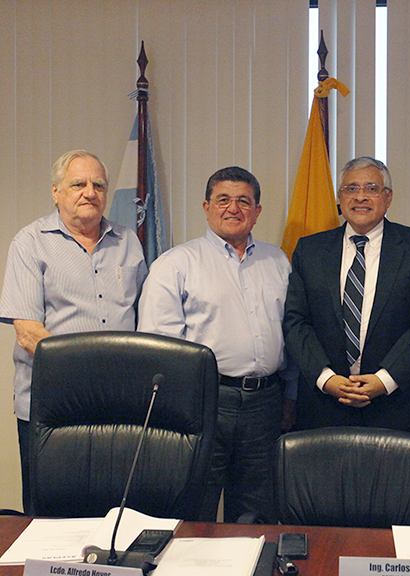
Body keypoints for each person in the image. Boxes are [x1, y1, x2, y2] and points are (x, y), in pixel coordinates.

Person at [138, 166, 297, 523]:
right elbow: (159, 349)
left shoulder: (278, 262)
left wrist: (291, 396)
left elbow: (292, 334)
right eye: (223, 199)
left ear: (257, 210)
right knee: (195, 506)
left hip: (265, 404)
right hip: (204, 402)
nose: (233, 208)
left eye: (244, 201)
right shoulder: (176, 265)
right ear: (207, 207)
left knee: (258, 511)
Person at [0, 150, 148, 514]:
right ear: (56, 192)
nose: (90, 193)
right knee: (51, 515)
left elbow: (144, 317)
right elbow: (28, 333)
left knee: (113, 509)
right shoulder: (30, 242)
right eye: (78, 184)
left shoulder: (128, 241)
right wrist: (88, 374)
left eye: (98, 185)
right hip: (53, 405)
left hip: (117, 402)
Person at [283, 156, 410, 433]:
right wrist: (325, 378)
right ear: (340, 197)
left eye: (372, 188)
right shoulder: (310, 250)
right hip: (325, 404)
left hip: (398, 403)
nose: (360, 197)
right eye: (351, 188)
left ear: (388, 197)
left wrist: (384, 380)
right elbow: (296, 321)